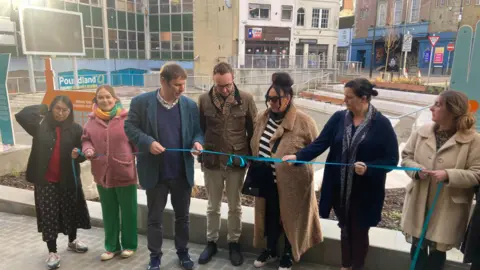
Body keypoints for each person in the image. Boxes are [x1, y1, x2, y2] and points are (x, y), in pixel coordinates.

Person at [283, 78, 399, 270]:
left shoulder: (382, 124)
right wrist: (298, 156)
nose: (344, 100)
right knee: (344, 228)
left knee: (360, 232)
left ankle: (357, 266)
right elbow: (320, 143)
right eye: (344, 96)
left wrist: (369, 168)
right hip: (339, 188)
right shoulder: (338, 119)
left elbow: (391, 160)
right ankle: (345, 266)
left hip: (365, 193)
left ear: (364, 99)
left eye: (349, 97)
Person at [124, 62, 204, 270]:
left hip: (180, 172)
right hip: (155, 173)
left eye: (183, 84)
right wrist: (147, 142)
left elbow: (198, 131)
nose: (181, 89)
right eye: (177, 85)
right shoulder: (141, 103)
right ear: (163, 81)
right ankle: (155, 257)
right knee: (154, 219)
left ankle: (183, 253)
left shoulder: (189, 105)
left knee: (183, 218)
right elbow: (129, 127)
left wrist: (197, 142)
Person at [250, 72, 323, 270]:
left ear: (288, 98)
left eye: (275, 99)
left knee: (291, 217)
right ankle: (272, 249)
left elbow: (315, 149)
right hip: (267, 180)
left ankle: (289, 254)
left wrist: (296, 165)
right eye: (269, 99)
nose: (271, 103)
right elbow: (255, 143)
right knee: (270, 216)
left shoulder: (304, 121)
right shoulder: (262, 118)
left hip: (293, 184)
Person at [401, 90, 480, 270]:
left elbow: (477, 173)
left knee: (437, 255)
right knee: (416, 248)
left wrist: (449, 175)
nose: (431, 108)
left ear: (452, 111)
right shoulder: (422, 131)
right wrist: (416, 169)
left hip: (447, 206)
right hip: (418, 200)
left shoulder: (474, 141)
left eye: (438, 105)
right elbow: (406, 157)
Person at [15, 96, 91, 270]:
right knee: (49, 215)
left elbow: (82, 154)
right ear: (51, 109)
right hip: (45, 179)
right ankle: (52, 251)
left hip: (67, 178)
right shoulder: (40, 125)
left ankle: (72, 241)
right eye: (57, 109)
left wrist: (77, 154)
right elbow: (21, 115)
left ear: (70, 112)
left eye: (65, 110)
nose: (61, 113)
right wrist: (43, 108)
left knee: (70, 209)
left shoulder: (75, 129)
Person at [197, 62, 257, 266]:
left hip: (236, 161)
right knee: (212, 206)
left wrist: (251, 158)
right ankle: (211, 242)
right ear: (213, 81)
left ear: (233, 79)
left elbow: (253, 130)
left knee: (235, 206)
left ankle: (234, 243)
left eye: (228, 85)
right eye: (220, 86)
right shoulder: (204, 100)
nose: (224, 90)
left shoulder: (246, 99)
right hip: (212, 162)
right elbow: (200, 129)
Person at [82, 85, 138, 261]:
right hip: (102, 174)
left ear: (115, 99)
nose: (105, 100)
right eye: (101, 97)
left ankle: (129, 245)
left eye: (108, 97)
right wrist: (88, 149)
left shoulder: (126, 119)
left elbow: (136, 144)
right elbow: (85, 140)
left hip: (125, 172)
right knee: (109, 211)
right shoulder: (90, 122)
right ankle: (111, 247)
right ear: (96, 101)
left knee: (129, 212)